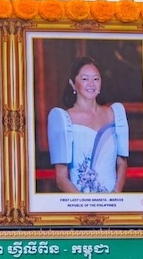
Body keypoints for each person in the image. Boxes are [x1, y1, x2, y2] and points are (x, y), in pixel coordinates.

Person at [47, 56, 128, 193]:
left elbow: (122, 163)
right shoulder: (64, 119)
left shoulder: (114, 114)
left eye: (96, 79)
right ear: (73, 84)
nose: (91, 84)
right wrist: (86, 205)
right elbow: (61, 178)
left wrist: (115, 196)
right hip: (80, 206)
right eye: (85, 79)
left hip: (113, 203)